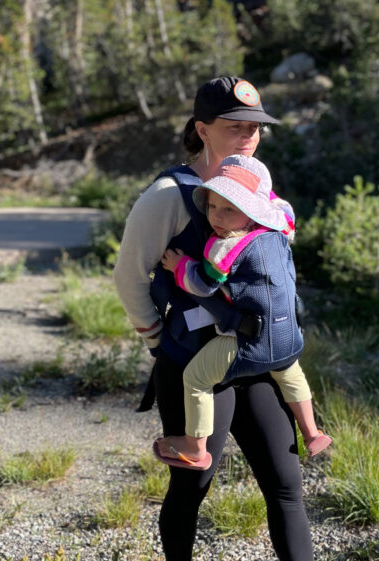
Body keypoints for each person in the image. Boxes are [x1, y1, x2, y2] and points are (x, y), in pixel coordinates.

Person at [113, 76, 314, 561]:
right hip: (196, 365)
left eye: (256, 127)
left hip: (255, 358)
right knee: (193, 487)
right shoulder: (168, 196)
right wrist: (158, 342)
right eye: (235, 126)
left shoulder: (254, 187)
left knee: (287, 485)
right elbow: (128, 277)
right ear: (202, 130)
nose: (249, 135)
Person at [152, 154, 331, 471]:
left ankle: (194, 447)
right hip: (289, 338)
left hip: (249, 341)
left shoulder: (225, 247)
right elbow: (281, 207)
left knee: (195, 378)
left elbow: (202, 284)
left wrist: (179, 266)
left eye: (228, 209)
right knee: (291, 376)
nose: (216, 217)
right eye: (212, 207)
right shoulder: (279, 229)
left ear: (249, 211)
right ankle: (312, 432)